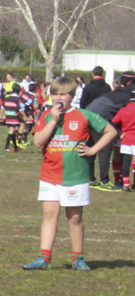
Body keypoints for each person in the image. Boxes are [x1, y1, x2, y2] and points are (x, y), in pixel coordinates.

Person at [22, 77, 117, 271]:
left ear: (71, 96)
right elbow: (38, 142)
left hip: (75, 176)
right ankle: (44, 258)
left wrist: (92, 150)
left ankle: (78, 259)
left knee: (74, 218)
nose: (58, 97)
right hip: (50, 174)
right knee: (49, 214)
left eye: (63, 94)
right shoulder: (46, 115)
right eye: (55, 93)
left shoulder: (84, 115)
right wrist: (53, 120)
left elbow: (111, 131)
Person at [110, 92, 135, 191]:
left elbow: (113, 122)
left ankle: (126, 184)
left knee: (126, 161)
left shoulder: (123, 110)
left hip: (126, 138)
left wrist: (119, 133)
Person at [1, 84, 24, 153]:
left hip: (8, 116)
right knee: (11, 131)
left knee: (13, 132)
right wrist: (25, 116)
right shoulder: (18, 99)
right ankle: (6, 147)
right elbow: (21, 109)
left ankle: (16, 147)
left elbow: (2, 107)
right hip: (14, 117)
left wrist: (1, 115)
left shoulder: (7, 98)